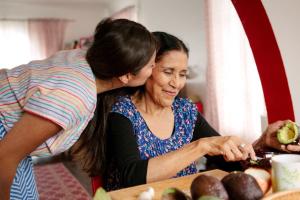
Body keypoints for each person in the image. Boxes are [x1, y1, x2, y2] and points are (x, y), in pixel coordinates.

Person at [102, 32, 299, 191]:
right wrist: (201, 146)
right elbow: (132, 177)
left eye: (182, 74)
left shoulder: (185, 111)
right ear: (147, 69)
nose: (176, 83)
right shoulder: (122, 112)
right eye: (168, 71)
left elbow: (229, 163)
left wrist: (263, 141)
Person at [0, 18, 157, 199]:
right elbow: (5, 157)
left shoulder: (84, 57)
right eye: (150, 65)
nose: (153, 69)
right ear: (126, 75)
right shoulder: (72, 97)